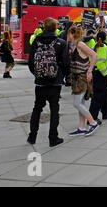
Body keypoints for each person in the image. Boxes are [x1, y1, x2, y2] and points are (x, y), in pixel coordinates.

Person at [28, 17, 69, 147]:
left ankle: (32, 136)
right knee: (54, 108)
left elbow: (31, 62)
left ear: (43, 27)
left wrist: (38, 74)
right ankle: (53, 137)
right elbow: (66, 63)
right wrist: (61, 75)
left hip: (40, 82)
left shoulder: (36, 41)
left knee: (37, 108)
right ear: (56, 28)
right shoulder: (61, 42)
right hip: (55, 81)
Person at [67, 26, 100, 136]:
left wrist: (90, 71)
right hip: (77, 77)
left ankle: (92, 122)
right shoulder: (74, 45)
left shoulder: (80, 45)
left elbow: (94, 55)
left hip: (82, 77)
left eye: (69, 34)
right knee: (81, 102)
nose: (67, 36)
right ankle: (81, 127)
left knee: (77, 103)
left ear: (73, 34)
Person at [89, 31, 107, 122]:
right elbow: (100, 63)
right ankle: (92, 118)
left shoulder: (95, 46)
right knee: (98, 97)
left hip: (97, 73)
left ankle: (106, 113)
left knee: (105, 94)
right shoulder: (103, 47)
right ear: (105, 38)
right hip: (100, 74)